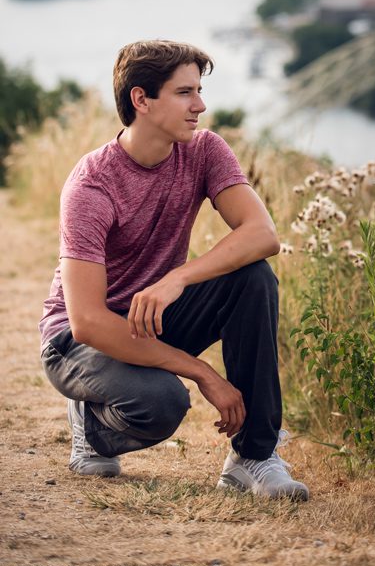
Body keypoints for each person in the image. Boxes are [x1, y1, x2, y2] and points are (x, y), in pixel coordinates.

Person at [39, 39, 308, 501]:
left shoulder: (204, 150)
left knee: (254, 278)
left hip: (151, 315)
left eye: (199, 91)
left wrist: (176, 278)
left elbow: (263, 234)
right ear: (141, 99)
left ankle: (254, 457)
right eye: (185, 93)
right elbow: (87, 321)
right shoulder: (91, 185)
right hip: (78, 343)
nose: (199, 106)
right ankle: (93, 423)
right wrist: (203, 372)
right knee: (163, 400)